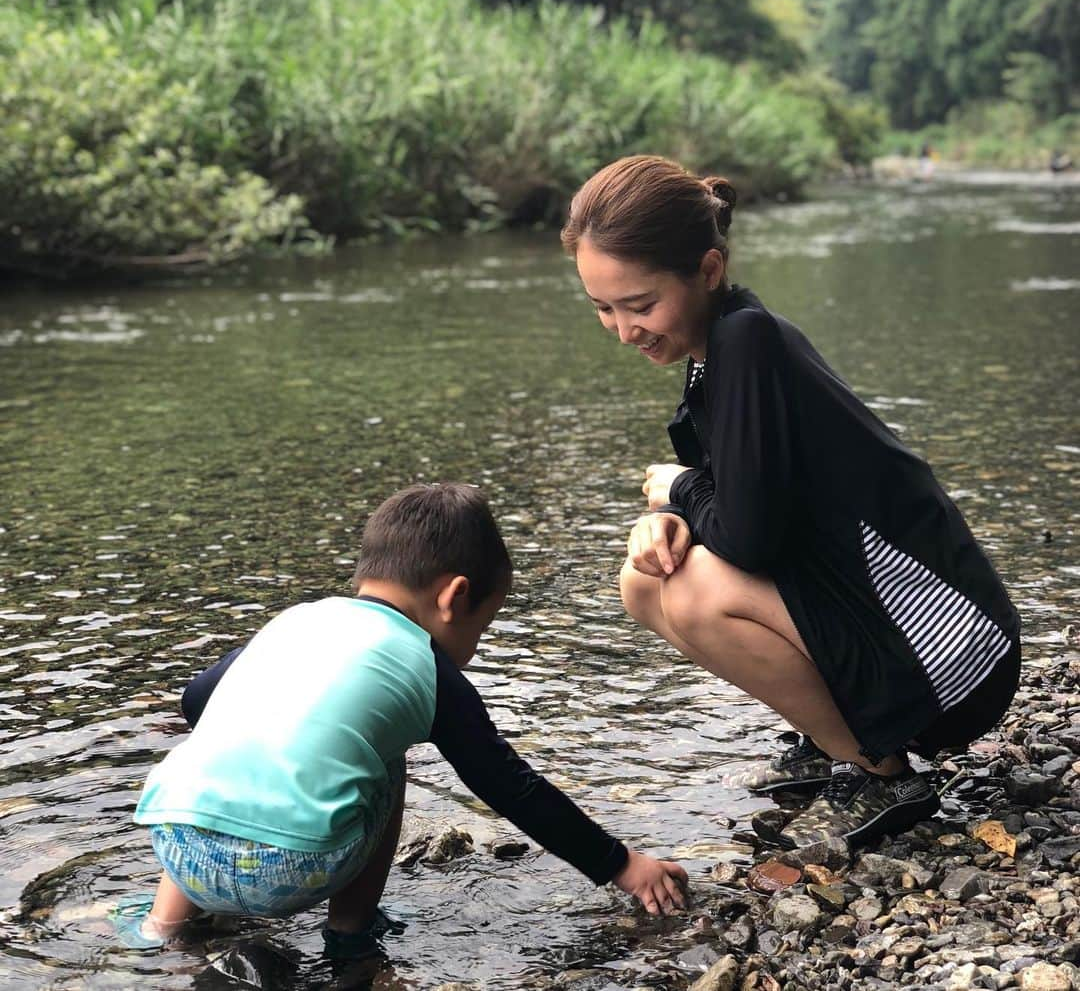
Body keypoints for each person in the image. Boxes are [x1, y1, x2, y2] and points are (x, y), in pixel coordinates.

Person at [561, 155, 1021, 851]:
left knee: (691, 594)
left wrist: (678, 488)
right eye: (604, 307)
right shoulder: (717, 349)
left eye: (641, 303)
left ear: (708, 271)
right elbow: (744, 494)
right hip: (904, 636)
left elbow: (747, 538)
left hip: (951, 653)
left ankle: (880, 770)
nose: (625, 329)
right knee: (645, 579)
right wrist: (669, 516)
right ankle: (835, 738)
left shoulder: (748, 342)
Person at [114, 483, 687, 951]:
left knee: (215, 752)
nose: (475, 645)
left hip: (179, 850)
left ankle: (161, 928)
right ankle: (350, 931)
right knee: (386, 758)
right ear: (454, 597)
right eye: (480, 627)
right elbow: (510, 788)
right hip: (293, 869)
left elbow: (195, 701)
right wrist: (623, 865)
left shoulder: (299, 619)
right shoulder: (428, 667)